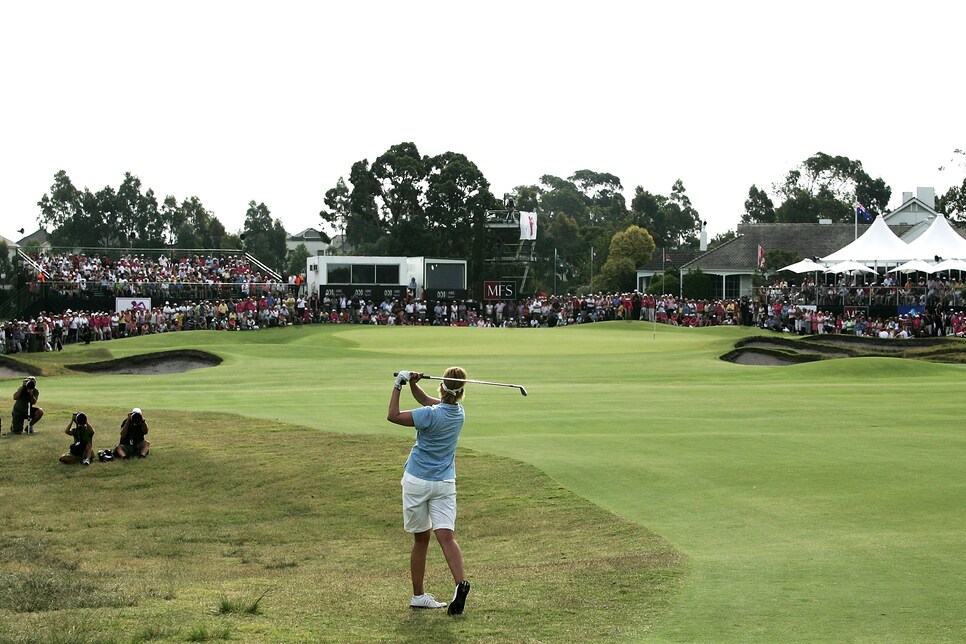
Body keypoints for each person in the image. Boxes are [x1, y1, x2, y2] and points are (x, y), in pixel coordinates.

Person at [387, 367, 471, 615]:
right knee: (446, 536)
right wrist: (415, 384)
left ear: (442, 388)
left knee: (421, 539)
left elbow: (393, 415)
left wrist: (399, 384)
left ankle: (418, 595)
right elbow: (426, 400)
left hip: (417, 481)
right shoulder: (459, 413)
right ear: (461, 392)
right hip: (444, 483)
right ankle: (460, 583)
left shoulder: (428, 415)